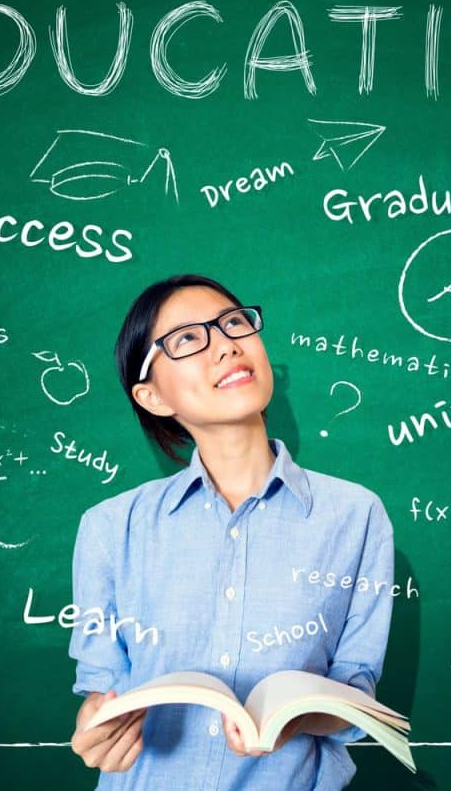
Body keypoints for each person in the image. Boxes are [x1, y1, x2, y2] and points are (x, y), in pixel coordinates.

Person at [69, 275, 395, 790]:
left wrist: (293, 716)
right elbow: (103, 687)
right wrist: (97, 728)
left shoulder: (356, 515)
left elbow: (356, 696)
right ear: (152, 396)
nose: (224, 344)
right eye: (186, 340)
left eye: (234, 323)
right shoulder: (110, 527)